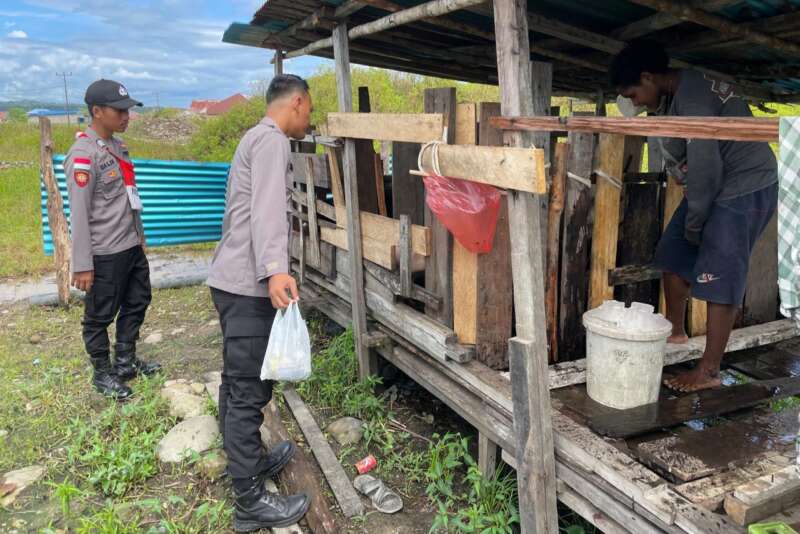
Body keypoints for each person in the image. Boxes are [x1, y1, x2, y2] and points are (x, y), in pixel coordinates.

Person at [610, 41, 778, 392]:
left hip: (744, 184)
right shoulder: (674, 94)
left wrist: (695, 223)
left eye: (633, 95)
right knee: (671, 254)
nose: (635, 103)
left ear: (648, 77)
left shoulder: (693, 98)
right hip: (712, 184)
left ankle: (709, 371)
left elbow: (706, 166)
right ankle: (675, 333)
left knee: (721, 275)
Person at [206, 74, 312, 531]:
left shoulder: (253, 137)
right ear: (297, 102)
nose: (308, 119)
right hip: (248, 285)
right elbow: (268, 211)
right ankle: (249, 499)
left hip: (229, 280)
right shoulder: (272, 141)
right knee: (249, 390)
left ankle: (246, 462)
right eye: (309, 110)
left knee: (236, 382)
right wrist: (276, 270)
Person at [66, 79, 161, 401]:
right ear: (97, 111)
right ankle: (102, 373)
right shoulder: (83, 154)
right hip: (104, 251)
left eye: (127, 110)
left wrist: (139, 239)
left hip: (130, 245)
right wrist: (82, 264)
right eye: (119, 111)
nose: (126, 116)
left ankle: (125, 361)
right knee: (99, 315)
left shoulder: (118, 148)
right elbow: (79, 213)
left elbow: (128, 199)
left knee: (138, 300)